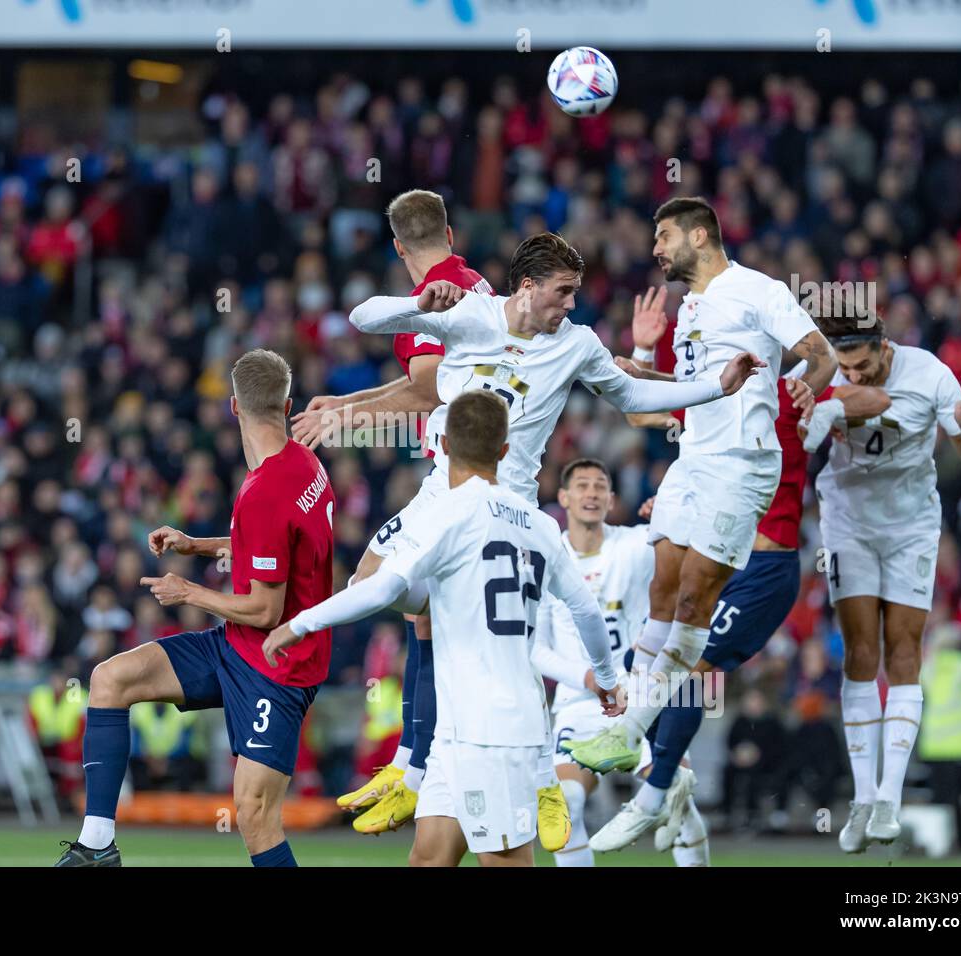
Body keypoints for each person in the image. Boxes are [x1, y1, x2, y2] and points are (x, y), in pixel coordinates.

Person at [340, 230, 764, 842]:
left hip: (506, 509)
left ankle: (530, 776)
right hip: (442, 490)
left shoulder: (578, 345)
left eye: (576, 294)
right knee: (378, 589)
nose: (570, 305)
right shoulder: (470, 314)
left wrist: (713, 387)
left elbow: (633, 394)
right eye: (563, 293)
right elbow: (364, 316)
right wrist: (418, 307)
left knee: (505, 644)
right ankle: (412, 765)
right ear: (528, 286)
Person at [558, 196, 838, 851]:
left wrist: (805, 382)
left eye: (662, 236)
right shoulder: (685, 314)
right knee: (661, 594)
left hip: (742, 463)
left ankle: (632, 743)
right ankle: (650, 765)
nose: (655, 250)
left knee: (691, 603)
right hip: (693, 459)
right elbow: (663, 403)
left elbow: (818, 354)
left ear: (699, 233)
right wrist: (642, 358)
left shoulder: (756, 290)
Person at [579, 282, 888, 855]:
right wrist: (643, 356)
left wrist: (827, 396)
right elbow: (646, 412)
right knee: (665, 664)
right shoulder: (722, 401)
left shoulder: (789, 399)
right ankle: (674, 788)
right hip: (717, 556)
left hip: (766, 571)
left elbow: (876, 402)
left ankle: (654, 791)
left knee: (691, 666)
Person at [264, 391, 623, 867]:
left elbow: (377, 588)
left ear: (444, 445)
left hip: (492, 734)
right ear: (504, 450)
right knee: (428, 858)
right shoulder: (539, 525)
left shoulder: (445, 515)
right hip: (460, 730)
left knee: (505, 861)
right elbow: (585, 610)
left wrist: (302, 622)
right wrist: (607, 677)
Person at [54, 349, 335, 867]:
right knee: (110, 680)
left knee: (253, 815)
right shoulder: (305, 464)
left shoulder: (266, 490)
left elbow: (265, 609)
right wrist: (195, 544)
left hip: (278, 665)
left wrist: (187, 593)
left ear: (233, 407)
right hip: (238, 646)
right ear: (287, 403)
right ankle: (98, 845)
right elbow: (266, 546)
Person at [291, 189, 491, 831]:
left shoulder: (431, 295)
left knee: (372, 583)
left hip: (462, 478)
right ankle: (414, 757)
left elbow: (428, 389)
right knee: (422, 608)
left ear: (398, 246)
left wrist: (346, 417)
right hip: (470, 468)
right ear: (450, 232)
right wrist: (344, 402)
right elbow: (425, 383)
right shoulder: (469, 280)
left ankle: (422, 757)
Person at [812, 314, 961, 852]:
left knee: (904, 653)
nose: (854, 376)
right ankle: (863, 798)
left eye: (863, 365)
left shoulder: (931, 374)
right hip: (847, 521)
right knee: (860, 654)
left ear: (884, 349)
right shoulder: (820, 370)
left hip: (911, 526)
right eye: (845, 368)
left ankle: (890, 796)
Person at [529, 458, 708, 867]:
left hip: (639, 703)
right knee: (566, 803)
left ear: (611, 499)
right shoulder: (544, 558)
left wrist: (671, 514)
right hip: (578, 704)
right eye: (582, 486)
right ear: (563, 498)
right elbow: (534, 648)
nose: (591, 493)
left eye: (600, 486)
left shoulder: (635, 545)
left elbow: (696, 540)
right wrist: (587, 677)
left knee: (679, 804)